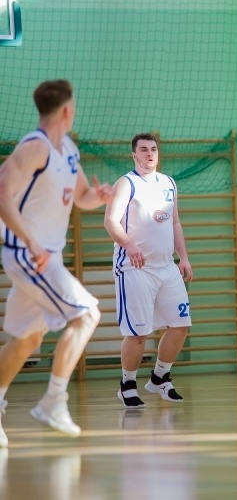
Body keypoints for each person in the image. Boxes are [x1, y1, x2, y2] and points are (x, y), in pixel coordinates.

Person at [0, 79, 113, 445]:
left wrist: (98, 196)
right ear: (67, 110)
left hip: (44, 254)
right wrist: (30, 240)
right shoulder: (35, 147)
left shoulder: (67, 149)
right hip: (29, 253)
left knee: (26, 340)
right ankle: (54, 400)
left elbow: (80, 197)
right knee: (88, 315)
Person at [104, 133, 193, 408]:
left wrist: (184, 257)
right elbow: (110, 221)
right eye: (143, 150)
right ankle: (127, 384)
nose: (149, 154)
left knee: (180, 326)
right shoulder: (127, 184)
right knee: (138, 333)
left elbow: (175, 224)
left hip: (167, 267)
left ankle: (159, 377)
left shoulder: (169, 183)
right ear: (134, 155)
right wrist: (129, 245)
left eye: (153, 149)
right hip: (135, 268)